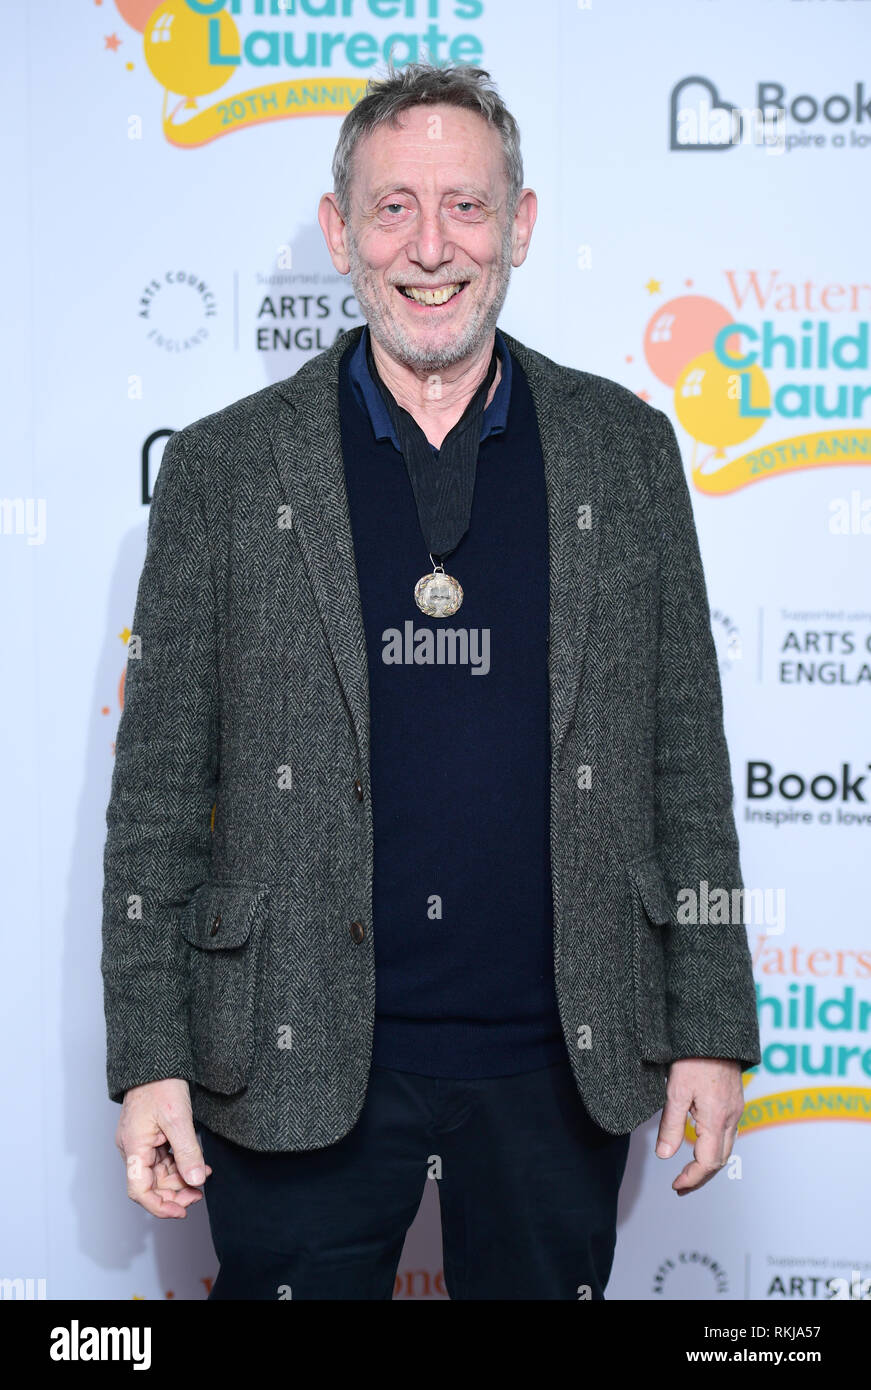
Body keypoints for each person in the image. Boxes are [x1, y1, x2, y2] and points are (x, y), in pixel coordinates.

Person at [102, 62, 760, 1301]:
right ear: (341, 232)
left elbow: (686, 758)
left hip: (556, 1064)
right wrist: (149, 1057)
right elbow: (153, 810)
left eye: (465, 206)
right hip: (289, 1062)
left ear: (518, 224)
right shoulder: (223, 471)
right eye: (393, 208)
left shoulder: (626, 453)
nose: (430, 246)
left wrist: (713, 1023)